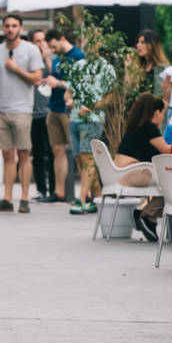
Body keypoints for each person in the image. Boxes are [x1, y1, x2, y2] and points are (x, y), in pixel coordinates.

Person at [0, 15, 44, 213]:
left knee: (24, 153)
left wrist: (16, 69)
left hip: (23, 109)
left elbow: (37, 79)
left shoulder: (31, 50)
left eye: (14, 26)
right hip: (1, 109)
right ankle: (7, 200)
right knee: (7, 155)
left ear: (21, 28)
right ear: (3, 28)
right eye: (7, 26)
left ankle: (24, 199)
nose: (10, 29)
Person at [63, 37, 115, 215]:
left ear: (100, 44)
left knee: (88, 159)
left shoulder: (106, 67)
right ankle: (97, 197)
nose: (90, 45)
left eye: (94, 41)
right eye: (87, 41)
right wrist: (69, 100)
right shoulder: (78, 65)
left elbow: (110, 96)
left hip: (92, 118)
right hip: (75, 118)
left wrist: (91, 107)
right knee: (79, 158)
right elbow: (68, 91)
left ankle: (81, 198)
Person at [115, 92, 169, 241]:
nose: (163, 117)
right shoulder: (149, 128)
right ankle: (147, 215)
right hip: (133, 174)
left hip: (120, 174)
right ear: (157, 112)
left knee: (166, 180)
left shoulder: (135, 127)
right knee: (171, 182)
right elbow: (167, 150)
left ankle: (146, 216)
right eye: (163, 113)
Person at [44, 28, 84, 203]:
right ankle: (59, 192)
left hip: (71, 109)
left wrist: (58, 83)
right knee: (57, 150)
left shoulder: (78, 56)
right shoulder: (56, 58)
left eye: (53, 46)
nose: (52, 50)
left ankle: (86, 193)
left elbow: (81, 83)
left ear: (62, 39)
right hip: (54, 107)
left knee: (79, 152)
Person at [29, 29, 57, 202]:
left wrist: (47, 57)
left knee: (53, 153)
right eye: (37, 41)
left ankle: (55, 189)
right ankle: (41, 189)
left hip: (50, 113)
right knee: (37, 153)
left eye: (43, 40)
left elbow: (54, 75)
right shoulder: (29, 61)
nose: (41, 44)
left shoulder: (53, 60)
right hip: (33, 113)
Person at [132, 29, 167, 102]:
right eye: (138, 42)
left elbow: (160, 95)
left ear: (152, 45)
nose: (138, 45)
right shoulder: (140, 67)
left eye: (142, 42)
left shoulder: (161, 67)